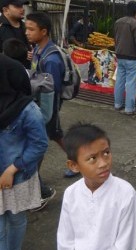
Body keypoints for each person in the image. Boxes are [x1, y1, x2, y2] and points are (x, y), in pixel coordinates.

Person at [57, 123, 136, 250]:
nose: (103, 163)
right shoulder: (71, 194)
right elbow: (65, 236)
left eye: (106, 153)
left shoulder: (126, 194)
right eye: (92, 158)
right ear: (73, 165)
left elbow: (125, 244)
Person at [0, 53, 48, 250]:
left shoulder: (28, 111)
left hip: (14, 178)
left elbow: (39, 144)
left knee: (16, 218)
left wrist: (12, 169)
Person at [26, 12, 70, 211]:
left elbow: (51, 92)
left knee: (38, 144)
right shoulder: (37, 50)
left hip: (46, 110)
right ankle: (79, 159)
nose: (27, 33)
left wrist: (44, 118)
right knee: (55, 135)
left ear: (44, 32)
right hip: (41, 107)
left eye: (31, 29)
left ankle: (37, 190)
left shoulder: (51, 59)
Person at [113, 1, 136, 116]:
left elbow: (115, 38)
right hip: (132, 58)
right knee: (131, 83)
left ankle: (117, 104)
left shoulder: (118, 22)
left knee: (120, 81)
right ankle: (129, 109)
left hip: (120, 56)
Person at [0, 0, 32, 68]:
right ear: (5, 10)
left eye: (22, 6)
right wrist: (22, 54)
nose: (22, 9)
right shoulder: (1, 28)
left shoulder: (26, 26)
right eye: (17, 6)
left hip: (28, 72)